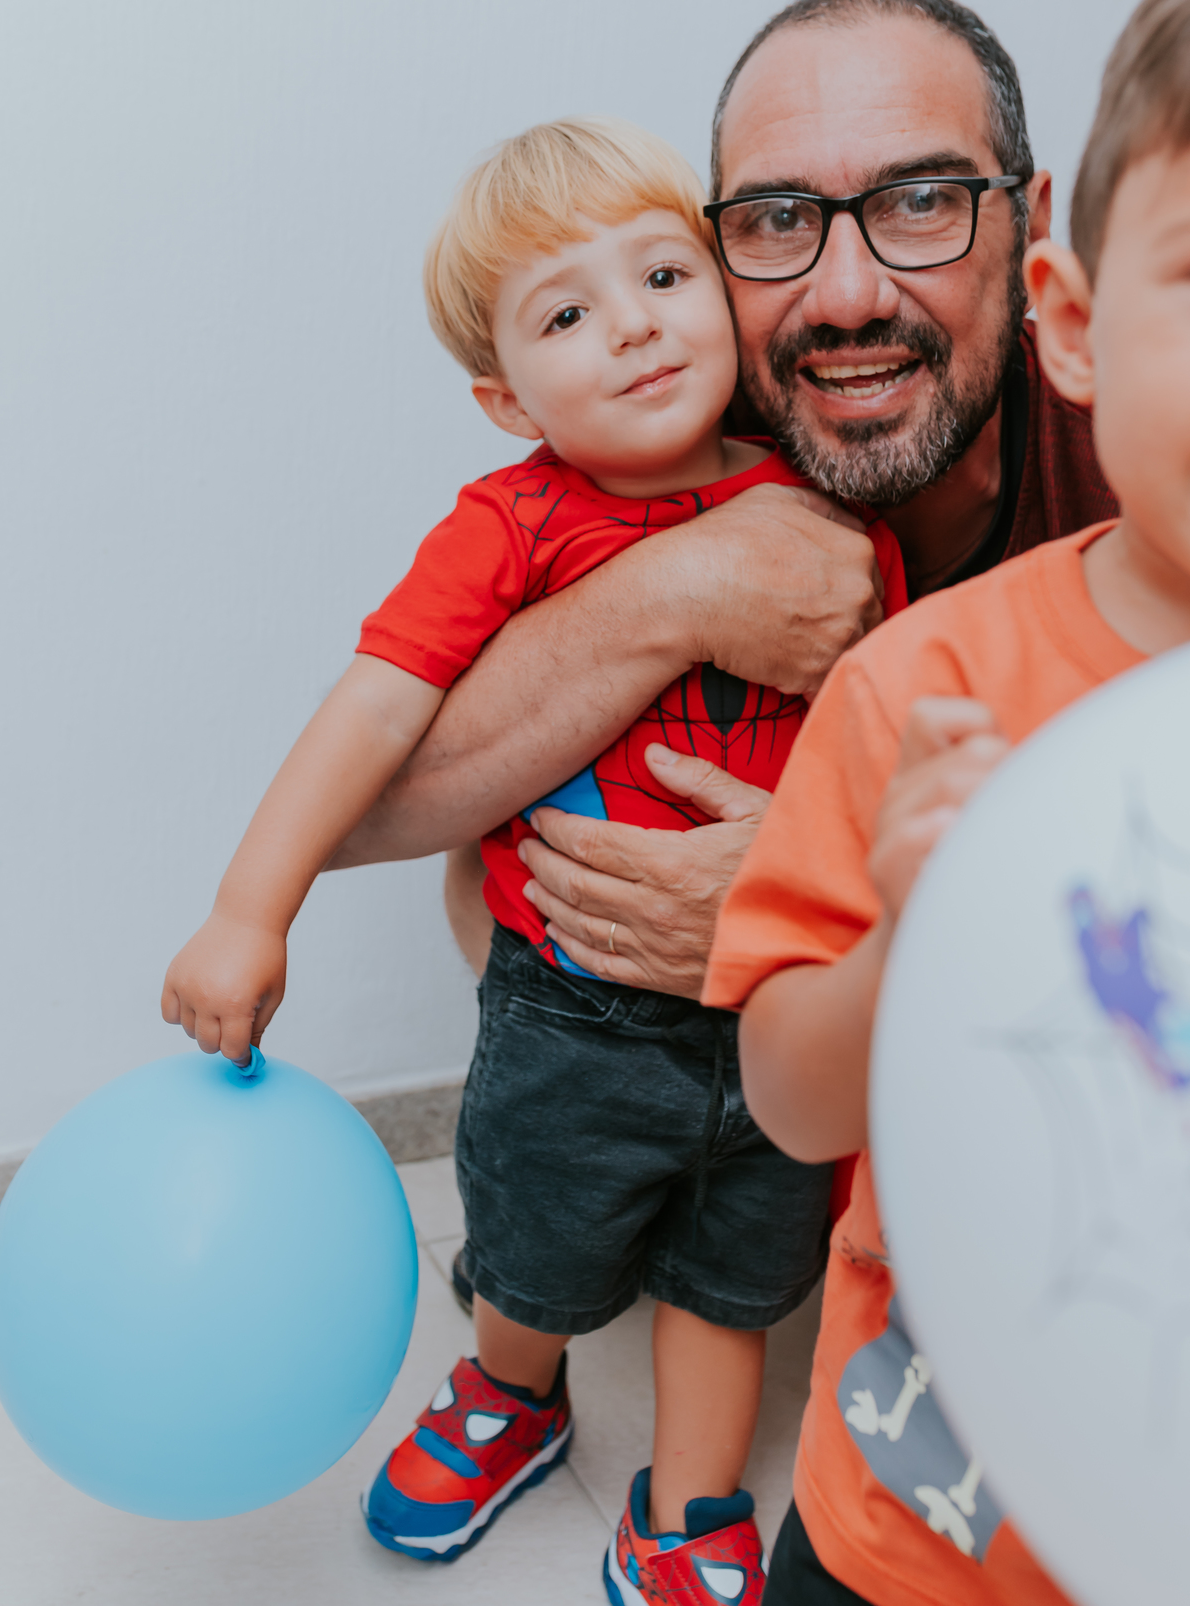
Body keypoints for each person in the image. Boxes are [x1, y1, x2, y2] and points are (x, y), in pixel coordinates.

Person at [160, 116, 906, 1603]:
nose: (633, 325)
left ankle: (688, 1504)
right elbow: (376, 703)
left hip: (771, 996)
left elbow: (880, 722)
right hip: (572, 1010)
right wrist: (253, 907)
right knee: (532, 1246)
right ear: (507, 399)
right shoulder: (513, 522)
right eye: (570, 313)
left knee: (731, 1278)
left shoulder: (831, 507)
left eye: (664, 275)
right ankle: (511, 1391)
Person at [327, 0, 1115, 1015]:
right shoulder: (669, 429)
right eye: (779, 219)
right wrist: (676, 590)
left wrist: (819, 905)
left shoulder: (1128, 446)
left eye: (922, 202)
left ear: (1030, 226)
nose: (845, 297)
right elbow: (386, 826)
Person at [705, 0, 1190, 1604]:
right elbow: (787, 1095)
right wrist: (915, 936)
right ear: (1078, 321)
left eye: (915, 201)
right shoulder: (924, 685)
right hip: (920, 1534)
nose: (843, 285)